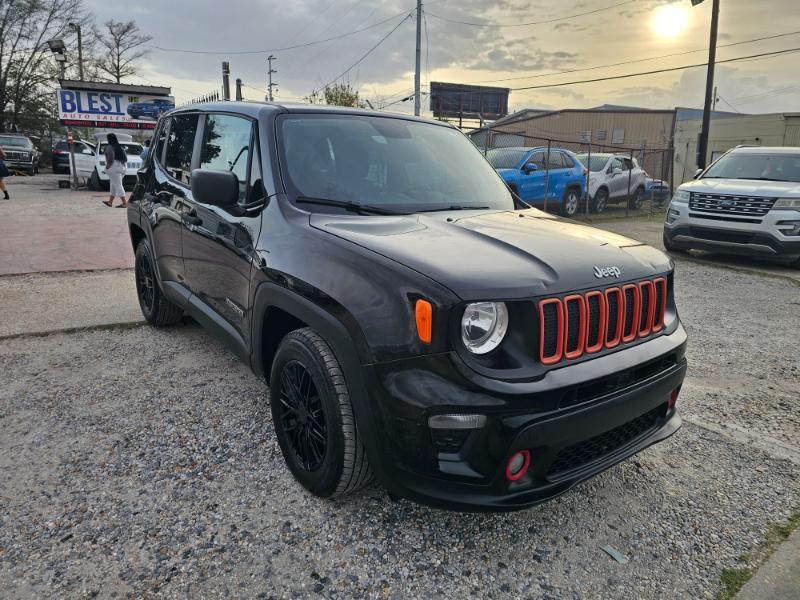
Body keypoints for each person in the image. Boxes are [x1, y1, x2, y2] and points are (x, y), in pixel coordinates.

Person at [102, 133, 127, 208]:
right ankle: (110, 202)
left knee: (118, 185)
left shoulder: (110, 147)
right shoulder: (120, 147)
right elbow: (125, 158)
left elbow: (110, 159)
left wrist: (107, 167)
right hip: (123, 166)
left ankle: (125, 203)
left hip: (114, 167)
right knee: (113, 184)